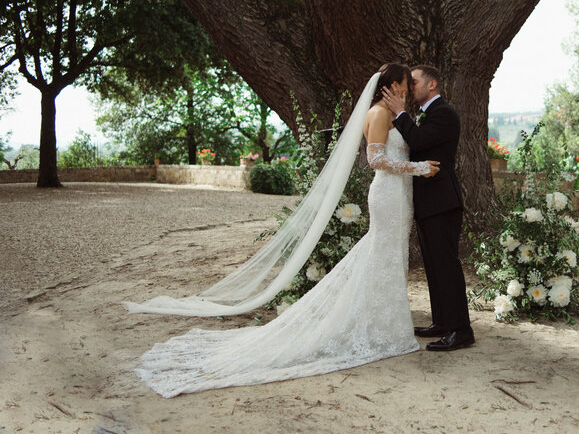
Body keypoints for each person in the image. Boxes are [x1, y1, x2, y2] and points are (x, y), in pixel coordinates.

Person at [126, 64, 441, 397]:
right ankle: (383, 330)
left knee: (389, 258)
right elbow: (376, 159)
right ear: (393, 86)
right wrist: (418, 168)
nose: (409, 90)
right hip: (388, 194)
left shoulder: (393, 113)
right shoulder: (378, 114)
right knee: (381, 254)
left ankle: (386, 326)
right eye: (406, 85)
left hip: (401, 196)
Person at [382, 65, 474, 351]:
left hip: (442, 203)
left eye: (415, 82)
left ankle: (461, 330)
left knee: (446, 266)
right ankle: (443, 322)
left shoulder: (444, 113)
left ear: (432, 84)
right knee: (434, 267)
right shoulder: (427, 114)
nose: (410, 87)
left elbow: (419, 140)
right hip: (427, 203)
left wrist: (399, 113)